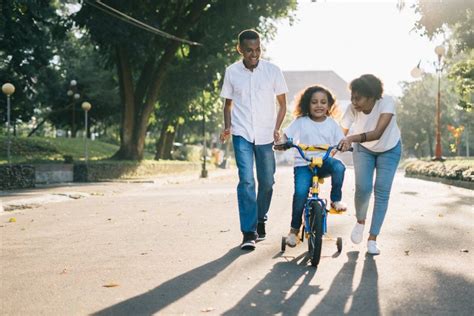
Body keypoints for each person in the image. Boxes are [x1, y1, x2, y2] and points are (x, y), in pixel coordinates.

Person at [219, 29, 288, 250]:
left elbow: (283, 104)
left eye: (257, 49)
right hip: (241, 134)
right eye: (249, 50)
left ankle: (260, 219)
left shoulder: (272, 71)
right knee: (247, 180)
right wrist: (228, 127)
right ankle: (248, 232)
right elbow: (228, 104)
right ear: (239, 49)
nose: (254, 54)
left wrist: (277, 128)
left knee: (267, 182)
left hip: (266, 134)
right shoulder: (231, 72)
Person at [338, 74, 402, 255]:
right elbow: (339, 133)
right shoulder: (353, 109)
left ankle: (373, 239)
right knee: (363, 188)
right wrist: (332, 149)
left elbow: (377, 133)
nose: (354, 102)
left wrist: (350, 138)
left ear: (372, 96)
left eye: (358, 98)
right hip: (363, 150)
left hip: (389, 148)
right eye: (352, 97)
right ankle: (360, 221)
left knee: (381, 191)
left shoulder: (386, 103)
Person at [281, 85, 347, 247]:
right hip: (304, 163)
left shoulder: (332, 123)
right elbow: (286, 135)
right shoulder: (301, 122)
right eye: (314, 102)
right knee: (300, 194)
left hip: (323, 162)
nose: (319, 105)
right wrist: (283, 142)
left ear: (329, 105)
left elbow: (340, 141)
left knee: (339, 167)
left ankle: (335, 200)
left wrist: (343, 144)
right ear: (307, 105)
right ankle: (294, 231)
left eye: (323, 102)